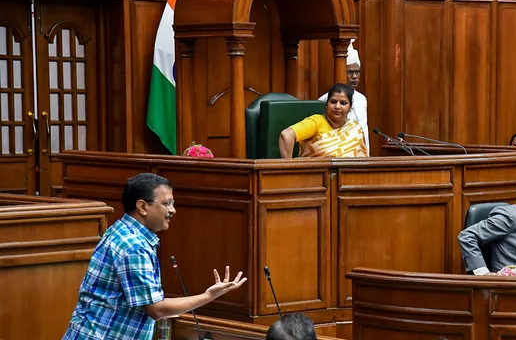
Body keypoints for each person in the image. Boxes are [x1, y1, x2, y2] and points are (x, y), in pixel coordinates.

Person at [63, 173, 247, 339]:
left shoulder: (121, 230)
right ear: (142, 207)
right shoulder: (134, 246)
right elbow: (156, 309)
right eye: (167, 204)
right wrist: (208, 296)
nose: (173, 210)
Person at [280, 83, 367, 158]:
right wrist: (288, 168)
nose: (337, 107)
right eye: (333, 102)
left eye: (343, 103)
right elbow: (286, 135)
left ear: (350, 107)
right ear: (326, 104)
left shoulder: (355, 128)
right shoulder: (316, 122)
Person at [318, 40, 369, 155]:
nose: (354, 76)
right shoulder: (324, 100)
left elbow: (364, 133)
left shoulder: (362, 99)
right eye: (350, 72)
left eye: (357, 72)